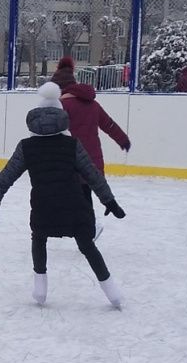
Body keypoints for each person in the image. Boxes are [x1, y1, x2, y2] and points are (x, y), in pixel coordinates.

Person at [0, 103, 127, 309]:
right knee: (87, 245)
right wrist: (109, 201)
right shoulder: (72, 144)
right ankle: (112, 292)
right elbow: (93, 175)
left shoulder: (26, 147)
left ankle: (40, 289)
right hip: (75, 207)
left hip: (44, 208)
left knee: (39, 238)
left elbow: (5, 178)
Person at [53, 60, 131, 238]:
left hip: (72, 159)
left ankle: (90, 227)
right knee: (82, 193)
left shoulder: (62, 106)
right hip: (92, 159)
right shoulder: (92, 104)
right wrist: (123, 140)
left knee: (74, 195)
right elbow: (109, 124)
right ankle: (87, 226)